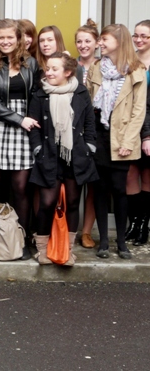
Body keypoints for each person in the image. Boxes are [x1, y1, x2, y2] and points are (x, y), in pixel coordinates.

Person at [0, 18, 40, 261]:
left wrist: (27, 121)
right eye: (0, 37)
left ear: (19, 39)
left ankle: (21, 238)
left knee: (21, 186)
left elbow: (36, 95)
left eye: (9, 37)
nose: (5, 42)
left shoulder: (31, 63)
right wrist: (18, 119)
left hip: (24, 126)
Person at [29, 52, 98, 266]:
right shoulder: (40, 94)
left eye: (54, 69)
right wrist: (38, 148)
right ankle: (42, 250)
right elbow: (33, 126)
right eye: (47, 68)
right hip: (49, 155)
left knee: (73, 202)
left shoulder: (80, 92)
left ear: (67, 72)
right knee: (47, 203)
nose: (49, 72)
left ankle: (67, 250)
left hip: (75, 156)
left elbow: (89, 123)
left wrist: (89, 147)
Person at [86, 23, 146, 259]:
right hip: (99, 134)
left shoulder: (136, 70)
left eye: (104, 40)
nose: (100, 43)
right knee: (100, 189)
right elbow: (88, 103)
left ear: (119, 42)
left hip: (122, 136)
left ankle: (121, 242)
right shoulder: (96, 68)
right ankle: (103, 242)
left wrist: (129, 141)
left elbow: (138, 111)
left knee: (120, 189)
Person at [74, 19, 100, 248]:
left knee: (93, 184)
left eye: (87, 41)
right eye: (79, 41)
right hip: (73, 129)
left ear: (97, 43)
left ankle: (87, 232)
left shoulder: (105, 66)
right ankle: (66, 229)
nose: (83, 45)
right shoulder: (71, 66)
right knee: (71, 183)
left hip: (95, 129)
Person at [124, 19, 150, 246]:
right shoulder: (129, 61)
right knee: (130, 175)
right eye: (136, 35)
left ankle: (144, 226)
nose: (139, 40)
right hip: (131, 127)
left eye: (144, 36)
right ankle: (133, 223)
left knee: (148, 178)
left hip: (149, 129)